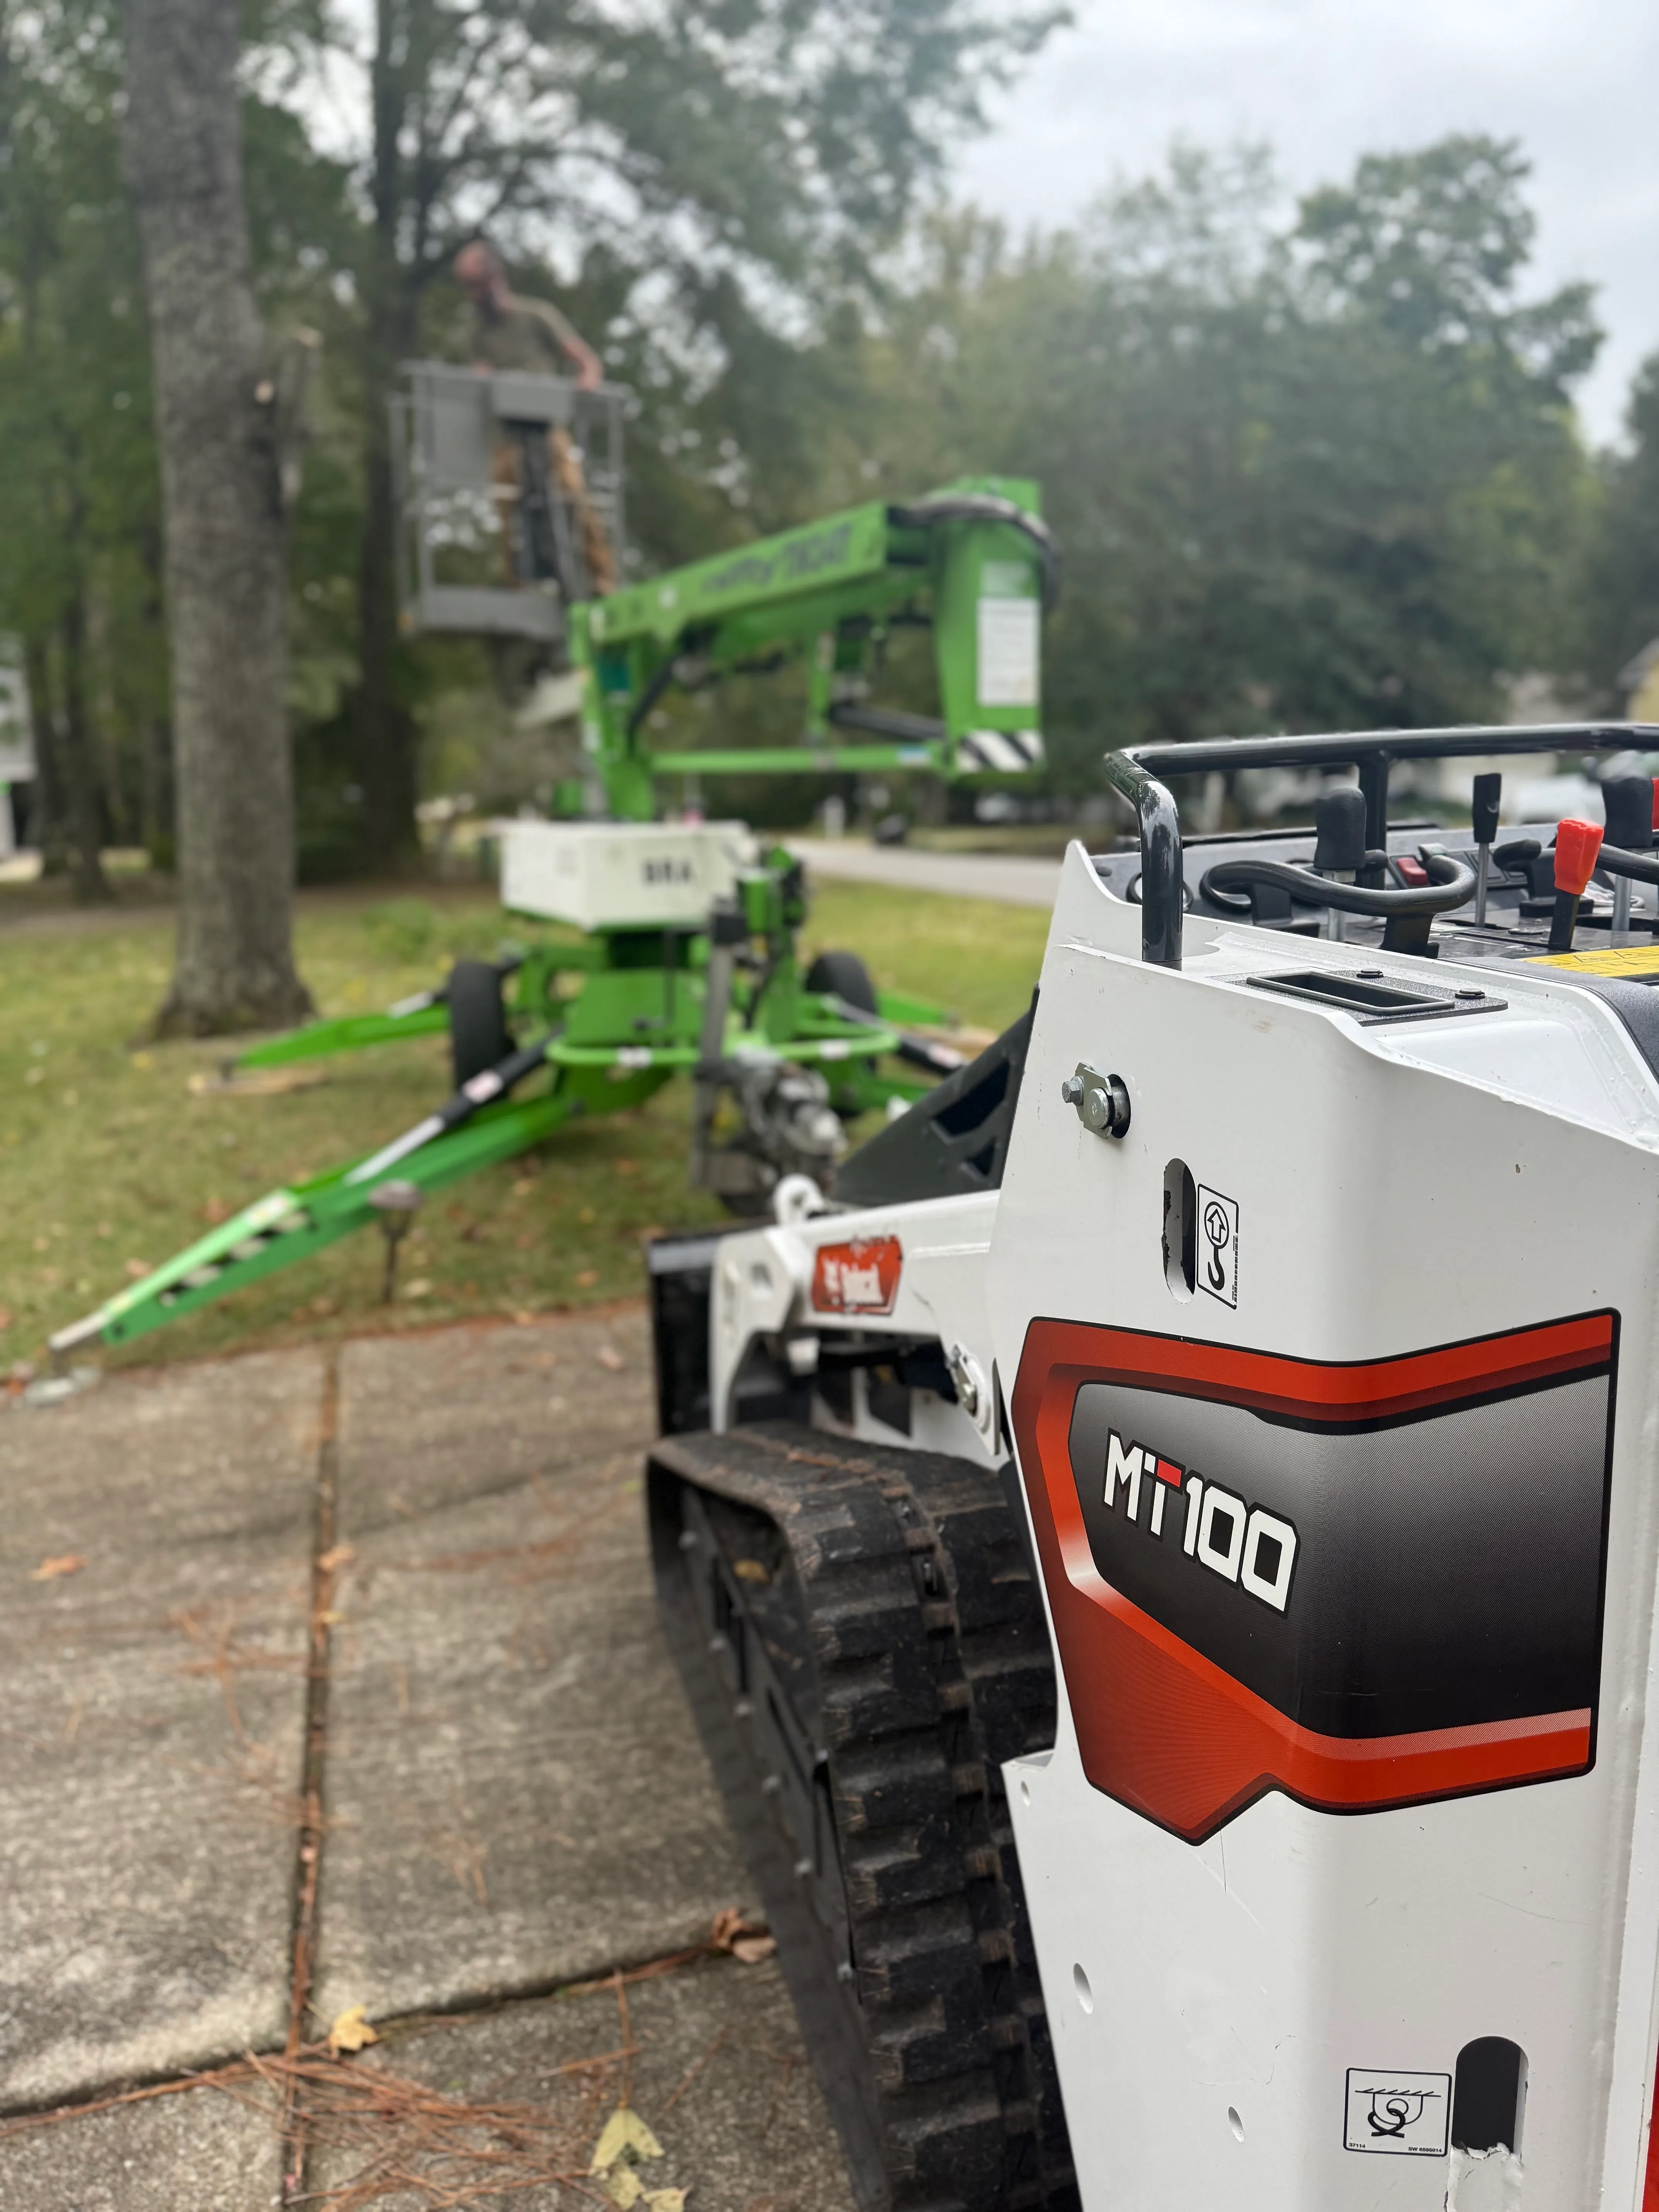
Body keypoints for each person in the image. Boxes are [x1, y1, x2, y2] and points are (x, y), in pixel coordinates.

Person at [453, 242, 616, 595]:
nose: (475, 295)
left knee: (573, 494)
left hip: (547, 428)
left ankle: (602, 577)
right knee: (505, 501)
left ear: (497, 277)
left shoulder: (535, 315)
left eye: (479, 284)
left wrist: (586, 381)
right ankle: (518, 586)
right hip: (508, 432)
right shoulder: (477, 333)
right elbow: (479, 373)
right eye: (469, 287)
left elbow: (583, 359)